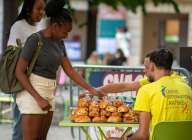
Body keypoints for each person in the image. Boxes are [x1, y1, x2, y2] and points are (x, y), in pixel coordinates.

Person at [15, 0, 103, 140]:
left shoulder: (59, 43)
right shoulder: (35, 40)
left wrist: (91, 89)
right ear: (55, 25)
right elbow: (19, 72)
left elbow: (70, 71)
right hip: (33, 92)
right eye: (65, 31)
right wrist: (38, 98)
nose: (67, 35)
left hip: (49, 91)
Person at [109, 49, 192, 140]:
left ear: (152, 66)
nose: (145, 70)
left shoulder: (146, 91)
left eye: (146, 67)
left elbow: (142, 135)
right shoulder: (187, 89)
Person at [7, 0, 45, 140]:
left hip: (37, 82)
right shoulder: (19, 26)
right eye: (39, 9)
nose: (42, 12)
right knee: (20, 126)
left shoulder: (39, 26)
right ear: (29, 9)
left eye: (43, 9)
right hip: (21, 83)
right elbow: (11, 54)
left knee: (33, 127)